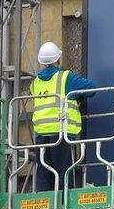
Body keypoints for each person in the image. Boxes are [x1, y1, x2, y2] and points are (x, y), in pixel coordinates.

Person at [30, 41, 96, 192]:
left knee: (44, 173)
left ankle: (45, 204)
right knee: (65, 171)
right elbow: (92, 88)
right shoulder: (66, 78)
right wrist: (76, 97)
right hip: (62, 134)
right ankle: (65, 203)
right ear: (58, 60)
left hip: (41, 136)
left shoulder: (35, 83)